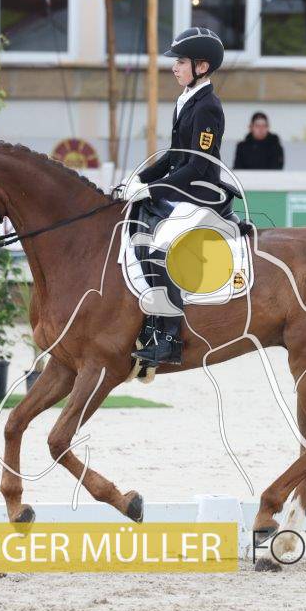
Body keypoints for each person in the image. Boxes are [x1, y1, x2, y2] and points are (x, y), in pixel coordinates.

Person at [129, 26, 227, 368]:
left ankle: (169, 338)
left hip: (201, 194)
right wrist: (139, 178)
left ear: (202, 66)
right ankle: (150, 320)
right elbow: (174, 156)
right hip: (182, 190)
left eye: (181, 62)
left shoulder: (208, 107)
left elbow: (197, 165)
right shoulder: (186, 99)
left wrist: (154, 189)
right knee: (137, 230)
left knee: (159, 246)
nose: (174, 67)